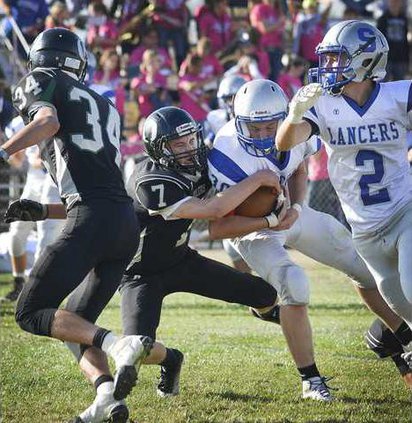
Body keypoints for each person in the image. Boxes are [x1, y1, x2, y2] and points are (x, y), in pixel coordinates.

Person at [9, 106, 282, 421]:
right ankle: (171, 358)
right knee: (139, 348)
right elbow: (215, 210)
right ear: (158, 149)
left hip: (181, 258)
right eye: (178, 144)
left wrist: (44, 209)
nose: (190, 147)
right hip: (140, 274)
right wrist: (261, 180)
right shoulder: (150, 179)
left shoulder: (204, 162)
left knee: (264, 294)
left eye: (191, 138)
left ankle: (276, 319)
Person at [207, 78, 411, 400]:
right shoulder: (226, 151)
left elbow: (300, 165)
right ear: (238, 122)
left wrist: (298, 207)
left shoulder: (295, 128)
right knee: (294, 283)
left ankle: (402, 338)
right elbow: (218, 228)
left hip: (290, 214)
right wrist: (269, 219)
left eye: (268, 126)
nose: (262, 135)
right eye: (253, 128)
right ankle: (311, 380)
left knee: (360, 263)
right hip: (252, 231)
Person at [0, 28, 153, 422]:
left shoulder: (41, 81)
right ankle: (106, 396)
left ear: (40, 60)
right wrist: (46, 211)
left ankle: (118, 345)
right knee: (73, 323)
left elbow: (47, 122)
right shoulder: (106, 107)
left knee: (31, 312)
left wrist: (3, 152)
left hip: (93, 217)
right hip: (120, 222)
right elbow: (99, 188)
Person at [276, 20, 412, 365]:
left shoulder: (399, 95)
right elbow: (283, 142)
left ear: (365, 60)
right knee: (403, 307)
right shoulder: (324, 105)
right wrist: (294, 116)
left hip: (403, 210)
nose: (328, 66)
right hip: (364, 228)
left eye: (337, 58)